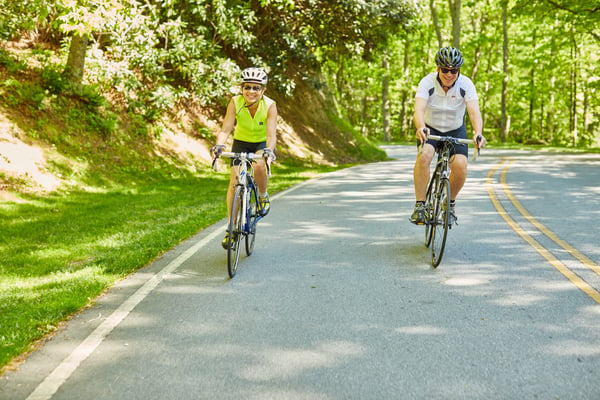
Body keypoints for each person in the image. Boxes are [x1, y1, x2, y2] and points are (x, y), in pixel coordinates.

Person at [410, 46, 487, 226]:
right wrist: (420, 127)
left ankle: (449, 204)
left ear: (458, 71)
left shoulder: (466, 85)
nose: (449, 74)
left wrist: (478, 133)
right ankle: (420, 206)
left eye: (454, 70)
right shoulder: (427, 83)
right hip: (430, 128)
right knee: (424, 156)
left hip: (455, 129)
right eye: (445, 69)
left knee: (460, 166)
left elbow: (474, 111)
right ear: (438, 68)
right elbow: (418, 109)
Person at [212, 67, 277, 249]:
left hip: (260, 144)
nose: (251, 91)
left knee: (257, 164)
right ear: (242, 88)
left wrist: (269, 151)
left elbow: (271, 135)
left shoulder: (270, 105)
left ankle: (263, 196)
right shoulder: (235, 102)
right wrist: (219, 145)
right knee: (235, 183)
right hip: (240, 142)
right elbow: (226, 128)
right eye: (247, 87)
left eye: (256, 88)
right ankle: (231, 230)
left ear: (263, 90)